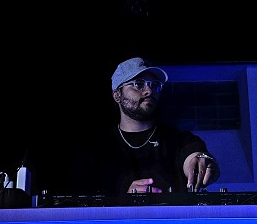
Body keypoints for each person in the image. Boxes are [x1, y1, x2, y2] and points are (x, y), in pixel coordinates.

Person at [65, 57, 221, 196]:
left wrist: (203, 162)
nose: (149, 91)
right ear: (117, 95)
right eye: (138, 84)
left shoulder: (180, 141)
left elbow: (194, 155)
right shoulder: (95, 151)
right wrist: (125, 201)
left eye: (155, 85)